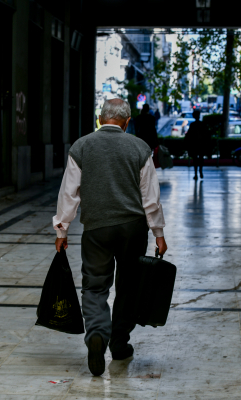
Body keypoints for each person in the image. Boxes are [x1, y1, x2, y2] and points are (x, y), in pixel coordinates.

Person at [53, 98, 168, 377]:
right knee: (128, 286)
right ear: (127, 122)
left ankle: (97, 335)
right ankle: (119, 344)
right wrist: (159, 233)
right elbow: (150, 198)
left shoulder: (81, 146)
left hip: (96, 229)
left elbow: (69, 193)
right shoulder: (140, 148)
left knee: (94, 286)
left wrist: (62, 229)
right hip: (132, 228)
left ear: (100, 118)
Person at [184, 110, 207, 179]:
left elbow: (189, 135)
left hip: (194, 144)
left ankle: (196, 174)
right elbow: (206, 135)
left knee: (195, 159)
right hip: (201, 144)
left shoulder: (192, 125)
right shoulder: (202, 124)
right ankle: (201, 171)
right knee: (201, 158)